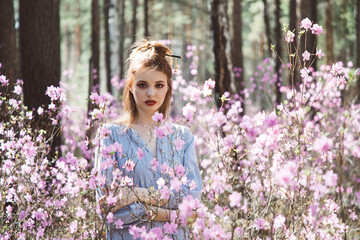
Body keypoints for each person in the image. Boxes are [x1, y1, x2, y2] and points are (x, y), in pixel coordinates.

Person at [94, 40, 202, 239]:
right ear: (131, 87)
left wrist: (136, 194)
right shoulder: (111, 134)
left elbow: (192, 204)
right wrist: (172, 214)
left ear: (168, 88)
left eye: (159, 85)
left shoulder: (182, 137)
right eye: (142, 85)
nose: (151, 93)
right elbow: (108, 209)